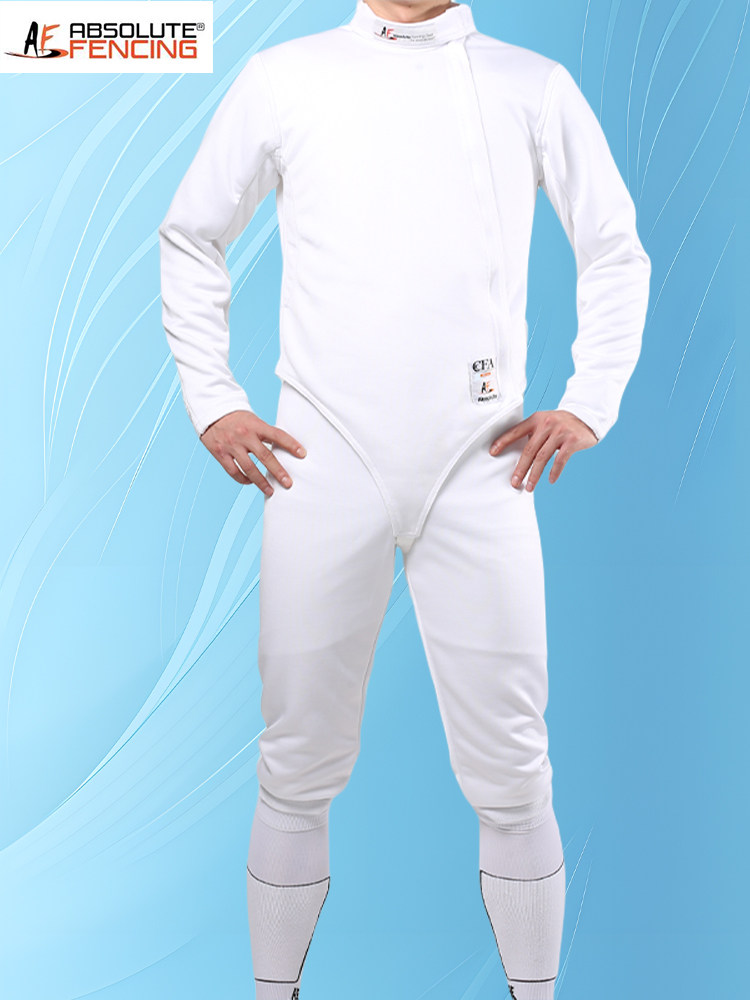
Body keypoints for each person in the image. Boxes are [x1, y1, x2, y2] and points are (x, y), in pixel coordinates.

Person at [158, 0, 651, 996]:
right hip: (320, 456)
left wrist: (589, 400)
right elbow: (190, 235)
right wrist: (214, 400)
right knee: (295, 757)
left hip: (482, 461)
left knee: (514, 766)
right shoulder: (285, 79)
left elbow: (614, 249)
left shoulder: (531, 85)